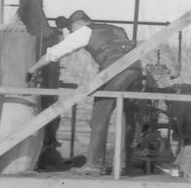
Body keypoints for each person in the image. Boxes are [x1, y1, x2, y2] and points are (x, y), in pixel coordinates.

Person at [26, 9, 144, 176]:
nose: (71, 32)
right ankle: (125, 165)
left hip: (116, 70)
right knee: (130, 118)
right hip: (136, 70)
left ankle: (94, 164)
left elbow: (57, 52)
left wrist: (33, 68)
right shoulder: (116, 29)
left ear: (77, 24)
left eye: (71, 29)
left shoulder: (85, 31)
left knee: (100, 115)